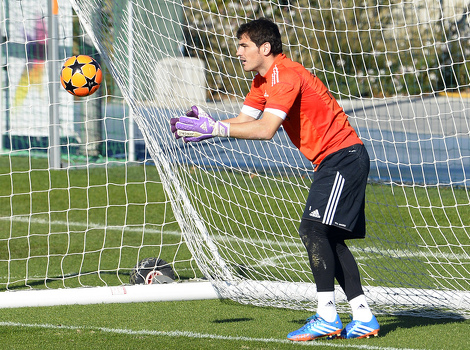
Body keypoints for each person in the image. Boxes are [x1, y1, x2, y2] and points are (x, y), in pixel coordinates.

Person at [170, 17, 379, 341]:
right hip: (333, 160)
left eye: (244, 45)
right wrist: (208, 125)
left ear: (264, 47)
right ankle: (363, 317)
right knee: (329, 238)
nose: (238, 52)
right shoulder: (261, 81)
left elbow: (266, 130)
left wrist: (214, 129)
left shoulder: (285, 75)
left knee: (312, 229)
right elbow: (243, 120)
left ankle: (327, 315)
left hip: (343, 157)